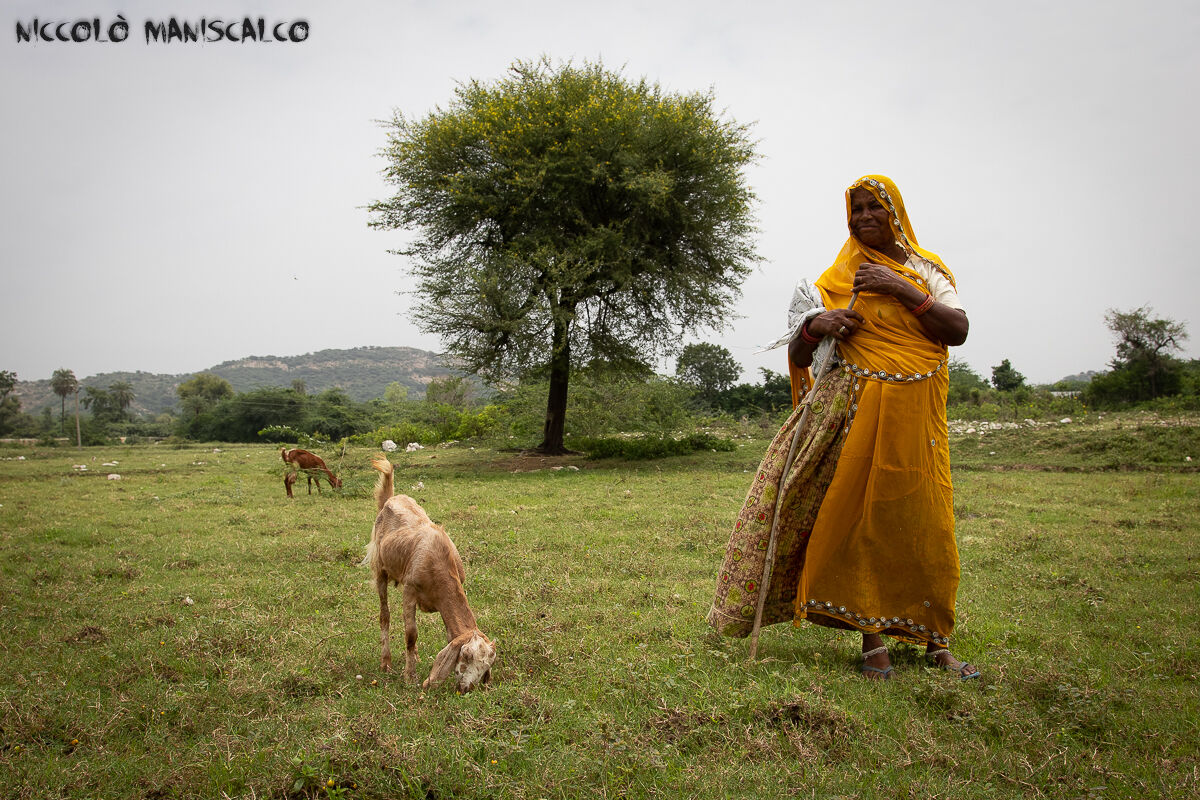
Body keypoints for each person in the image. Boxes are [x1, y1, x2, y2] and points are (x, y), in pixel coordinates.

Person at [706, 175, 978, 681]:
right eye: (855, 209)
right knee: (859, 523)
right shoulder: (838, 276)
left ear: (895, 212)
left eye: (874, 207)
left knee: (925, 524)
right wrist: (818, 326)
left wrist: (901, 290)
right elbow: (799, 353)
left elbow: (957, 331)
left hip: (917, 420)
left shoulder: (926, 270)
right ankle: (872, 642)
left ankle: (935, 640)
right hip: (853, 413)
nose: (864, 217)